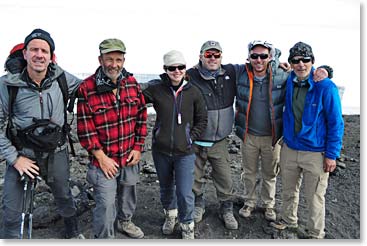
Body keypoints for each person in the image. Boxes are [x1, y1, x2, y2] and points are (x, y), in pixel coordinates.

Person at [0, 28, 84, 239]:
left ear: (51, 56)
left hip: (57, 152)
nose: (39, 54)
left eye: (44, 50)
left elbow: (91, 90)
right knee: (11, 212)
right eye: (34, 49)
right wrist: (15, 159)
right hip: (22, 154)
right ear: (25, 53)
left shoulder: (62, 78)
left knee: (64, 195)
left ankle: (73, 232)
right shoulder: (6, 85)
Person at [235, 40, 331, 222]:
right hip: (248, 136)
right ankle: (249, 202)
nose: (259, 60)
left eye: (263, 56)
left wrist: (325, 69)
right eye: (254, 56)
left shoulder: (282, 75)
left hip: (273, 137)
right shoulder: (240, 74)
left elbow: (305, 73)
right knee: (249, 172)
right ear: (249, 57)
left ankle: (268, 205)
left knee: (270, 174)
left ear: (270, 57)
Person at [270, 42, 344, 239]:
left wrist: (331, 155)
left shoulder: (326, 87)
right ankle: (288, 220)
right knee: (288, 190)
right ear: (291, 63)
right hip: (290, 148)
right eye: (296, 61)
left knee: (315, 198)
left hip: (316, 152)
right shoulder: (289, 81)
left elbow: (336, 122)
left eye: (305, 60)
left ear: (313, 61)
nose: (301, 64)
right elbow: (271, 62)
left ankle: (315, 233)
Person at [76, 38, 147, 239]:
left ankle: (125, 222)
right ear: (100, 59)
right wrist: (101, 158)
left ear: (124, 60)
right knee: (106, 205)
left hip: (129, 155)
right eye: (109, 59)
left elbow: (142, 116)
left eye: (118, 59)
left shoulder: (132, 83)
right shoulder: (87, 87)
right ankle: (105, 237)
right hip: (104, 161)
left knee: (128, 194)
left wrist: (138, 147)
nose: (114, 64)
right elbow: (84, 128)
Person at [142, 50, 207, 239]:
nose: (177, 71)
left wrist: (190, 138)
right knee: (166, 187)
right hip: (160, 151)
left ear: (185, 68)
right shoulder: (156, 89)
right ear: (165, 69)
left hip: (185, 152)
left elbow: (202, 119)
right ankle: (170, 216)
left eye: (180, 67)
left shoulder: (194, 91)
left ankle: (187, 226)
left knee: (185, 191)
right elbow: (134, 98)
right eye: (172, 68)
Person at [186, 41, 239, 230]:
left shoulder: (231, 72)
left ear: (221, 57)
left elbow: (257, 65)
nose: (213, 59)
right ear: (201, 56)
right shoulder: (189, 75)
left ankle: (226, 208)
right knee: (194, 177)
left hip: (220, 140)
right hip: (195, 139)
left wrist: (279, 63)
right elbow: (168, 80)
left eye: (216, 55)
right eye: (208, 55)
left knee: (225, 178)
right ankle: (198, 204)